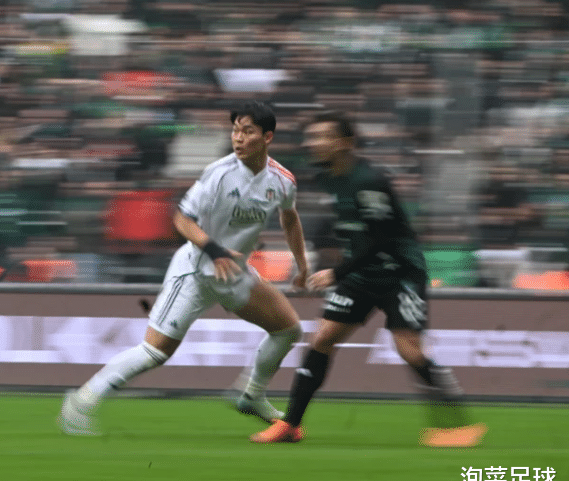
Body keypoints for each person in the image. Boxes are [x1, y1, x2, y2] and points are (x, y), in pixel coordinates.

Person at [61, 101, 309, 435]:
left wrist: (302, 265)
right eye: (235, 130)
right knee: (155, 352)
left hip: (233, 274)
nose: (238, 138)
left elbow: (289, 218)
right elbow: (181, 219)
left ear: (267, 137)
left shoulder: (282, 180)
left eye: (247, 131)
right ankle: (80, 401)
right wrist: (215, 250)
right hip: (196, 272)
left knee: (288, 330)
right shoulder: (219, 173)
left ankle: (251, 395)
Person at [250, 111, 488, 447]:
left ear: (345, 143)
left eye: (322, 136)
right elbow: (349, 227)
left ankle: (458, 426)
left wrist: (337, 272)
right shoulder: (328, 177)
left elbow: (383, 239)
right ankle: (291, 424)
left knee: (409, 350)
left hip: (399, 273)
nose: (312, 143)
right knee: (322, 339)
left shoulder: (370, 180)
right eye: (311, 136)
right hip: (361, 273)